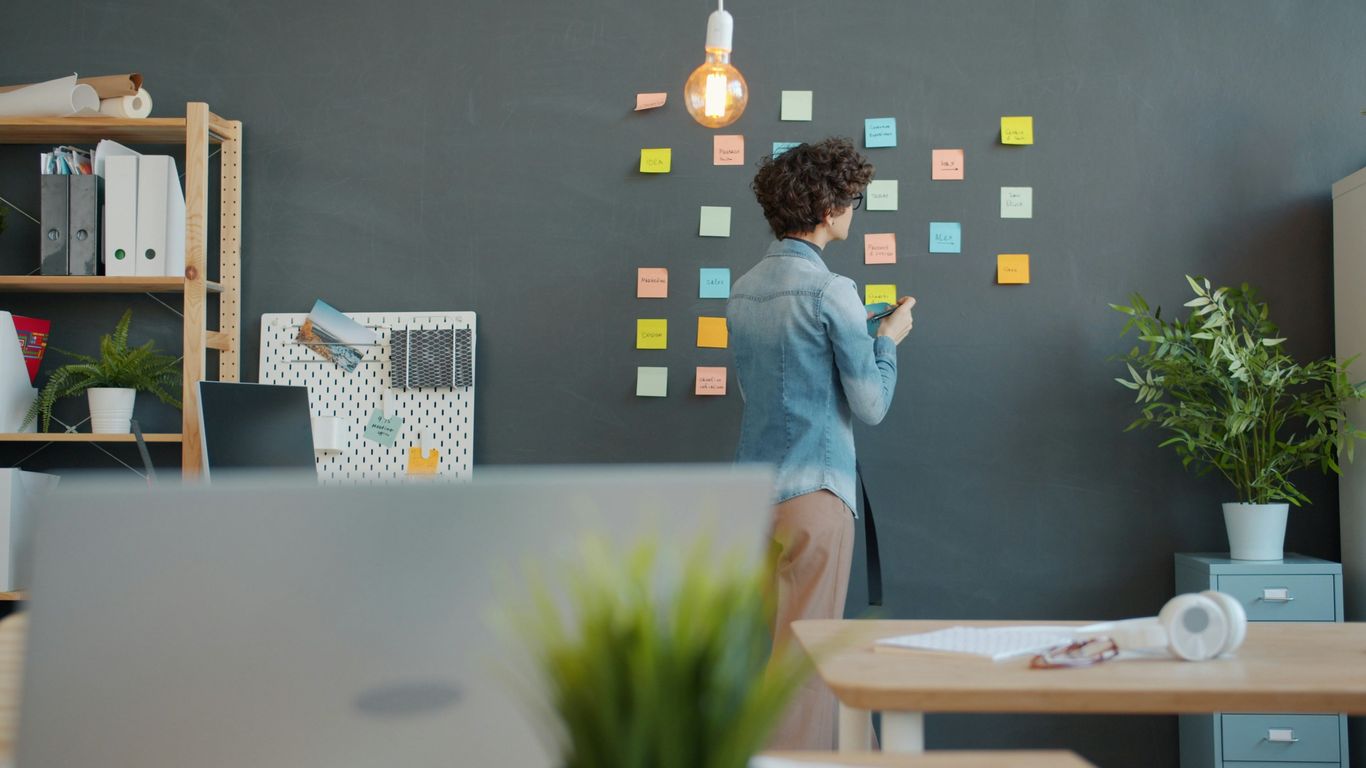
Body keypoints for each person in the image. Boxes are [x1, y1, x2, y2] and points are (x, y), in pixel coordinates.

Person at [726, 137, 915, 750]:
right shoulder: (835, 292)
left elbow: (760, 390)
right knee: (806, 662)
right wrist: (888, 340)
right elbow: (871, 405)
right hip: (817, 494)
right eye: (853, 199)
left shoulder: (743, 290)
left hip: (752, 499)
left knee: (766, 659)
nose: (854, 211)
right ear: (830, 208)